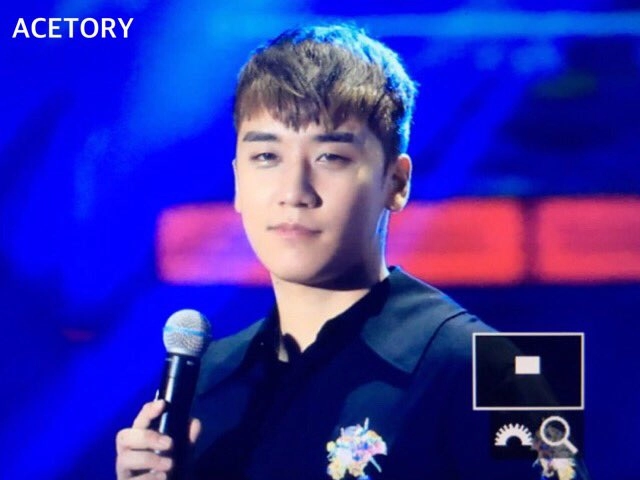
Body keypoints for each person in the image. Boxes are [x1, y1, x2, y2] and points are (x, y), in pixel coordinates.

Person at [116, 24, 581, 480]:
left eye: (331, 158)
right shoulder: (209, 381)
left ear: (396, 182)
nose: (293, 192)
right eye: (267, 157)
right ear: (238, 182)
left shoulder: (482, 368)